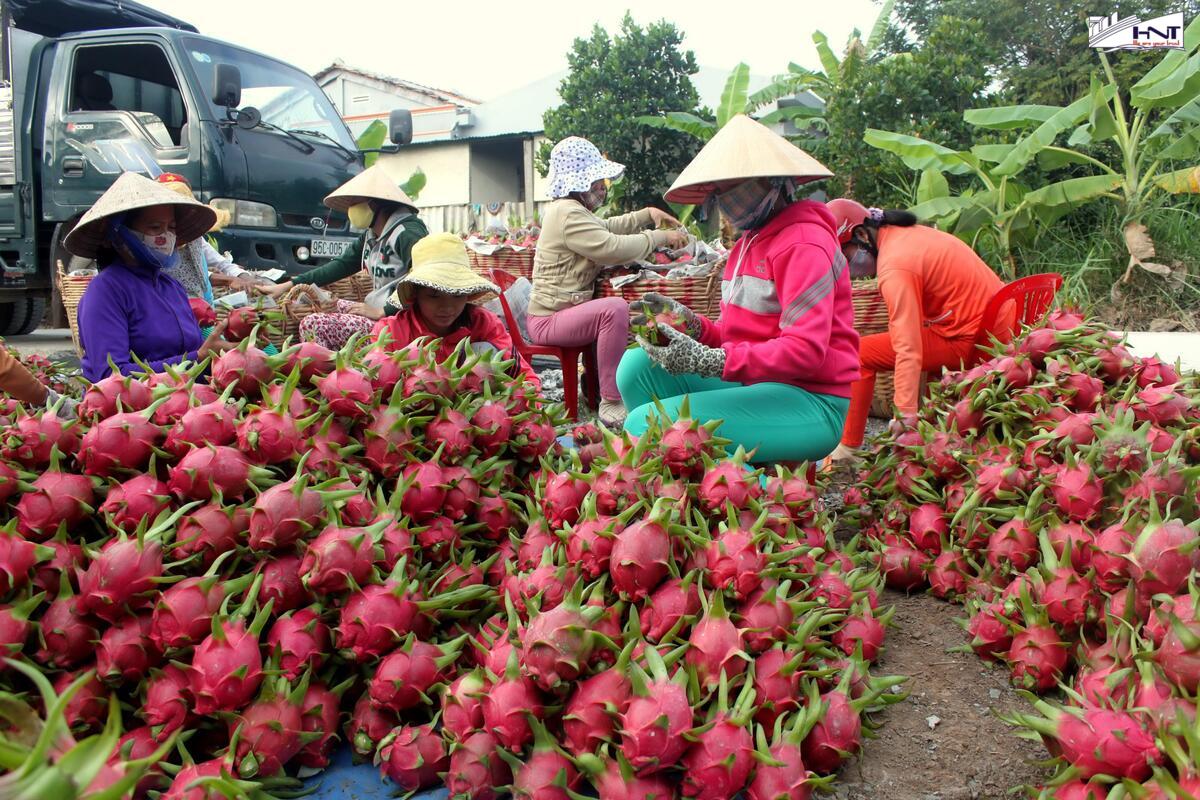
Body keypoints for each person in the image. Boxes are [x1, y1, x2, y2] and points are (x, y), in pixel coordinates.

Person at [617, 114, 859, 464]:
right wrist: (695, 327)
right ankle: (681, 481)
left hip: (810, 399)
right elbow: (738, 340)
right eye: (717, 190)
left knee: (646, 425)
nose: (723, 199)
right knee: (637, 365)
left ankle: (764, 502)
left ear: (773, 181)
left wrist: (713, 360)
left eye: (732, 187)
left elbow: (805, 351)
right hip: (756, 385)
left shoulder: (804, 243)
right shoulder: (748, 243)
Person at [826, 198, 1005, 461]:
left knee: (859, 353)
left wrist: (905, 413)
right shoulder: (908, 236)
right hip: (993, 325)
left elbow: (907, 347)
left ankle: (848, 447)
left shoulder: (895, 266)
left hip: (974, 338)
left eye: (844, 255)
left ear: (862, 235)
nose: (845, 267)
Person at [527, 136, 688, 427]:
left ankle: (612, 388)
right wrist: (659, 237)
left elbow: (607, 227)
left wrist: (646, 216)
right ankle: (611, 400)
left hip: (561, 314)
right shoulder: (566, 213)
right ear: (580, 183)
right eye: (597, 179)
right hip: (550, 320)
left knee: (625, 313)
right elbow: (611, 246)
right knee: (613, 309)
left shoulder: (573, 211)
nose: (602, 186)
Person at [67, 172, 233, 382]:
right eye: (155, 228)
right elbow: (111, 376)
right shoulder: (104, 292)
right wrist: (198, 358)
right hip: (127, 411)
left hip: (186, 405)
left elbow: (196, 358)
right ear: (118, 234)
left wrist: (232, 351)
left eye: (170, 228)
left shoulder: (172, 287)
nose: (166, 236)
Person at [258, 165, 428, 350]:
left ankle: (329, 372)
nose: (351, 209)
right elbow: (340, 266)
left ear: (376, 203)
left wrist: (383, 311)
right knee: (322, 302)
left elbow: (424, 277)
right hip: (375, 311)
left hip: (397, 322)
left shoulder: (408, 233)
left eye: (356, 203)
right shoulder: (371, 235)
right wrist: (286, 286)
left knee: (312, 324)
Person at [372, 233, 539, 387]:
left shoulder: (483, 323)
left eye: (458, 295)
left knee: (484, 351)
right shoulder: (389, 333)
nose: (447, 307)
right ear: (415, 293)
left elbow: (527, 379)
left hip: (474, 412)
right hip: (409, 416)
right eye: (434, 296)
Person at [154, 173, 266, 298]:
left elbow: (221, 264)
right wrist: (228, 280)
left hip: (201, 306)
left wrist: (246, 278)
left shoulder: (195, 237)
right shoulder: (155, 244)